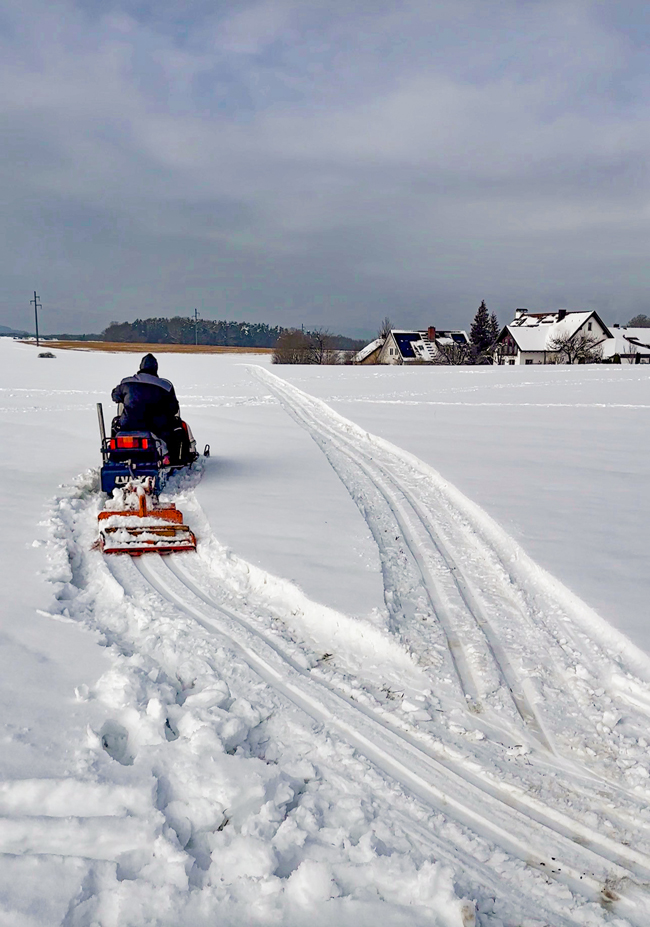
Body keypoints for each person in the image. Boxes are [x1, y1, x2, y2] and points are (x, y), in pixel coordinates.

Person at [111, 354, 189, 463]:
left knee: (115, 423)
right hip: (156, 427)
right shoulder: (165, 386)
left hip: (128, 425)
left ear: (140, 367)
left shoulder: (126, 382)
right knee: (176, 428)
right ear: (156, 368)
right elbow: (173, 407)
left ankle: (113, 456)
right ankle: (175, 459)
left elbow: (115, 396)